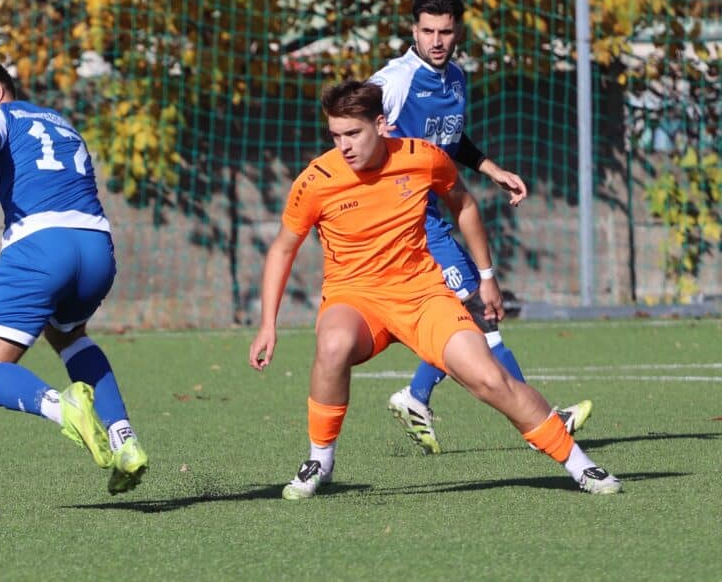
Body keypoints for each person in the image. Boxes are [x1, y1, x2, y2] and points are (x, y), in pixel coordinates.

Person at [248, 79, 621, 499]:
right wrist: (268, 325)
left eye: (353, 133)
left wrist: (487, 275)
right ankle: (320, 459)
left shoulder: (422, 157)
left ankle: (580, 465)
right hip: (355, 297)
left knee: (489, 379)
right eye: (335, 135)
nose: (344, 146)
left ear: (381, 125)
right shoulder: (316, 180)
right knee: (332, 346)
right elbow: (282, 249)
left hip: (423, 294)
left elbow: (464, 204)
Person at [367, 0, 591, 454]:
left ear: (458, 33)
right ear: (413, 31)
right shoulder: (395, 80)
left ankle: (417, 396)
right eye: (427, 31)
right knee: (478, 312)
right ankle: (543, 422)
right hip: (408, 222)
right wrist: (373, 141)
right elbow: (349, 125)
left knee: (467, 319)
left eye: (445, 32)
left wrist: (492, 169)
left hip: (433, 216)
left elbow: (451, 139)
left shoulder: (455, 79)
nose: (436, 40)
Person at [0, 56, 147, 495]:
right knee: (68, 334)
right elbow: (53, 175)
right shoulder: (59, 122)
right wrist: (7, 188)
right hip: (96, 249)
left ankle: (62, 406)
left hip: (42, 250)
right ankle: (124, 439)